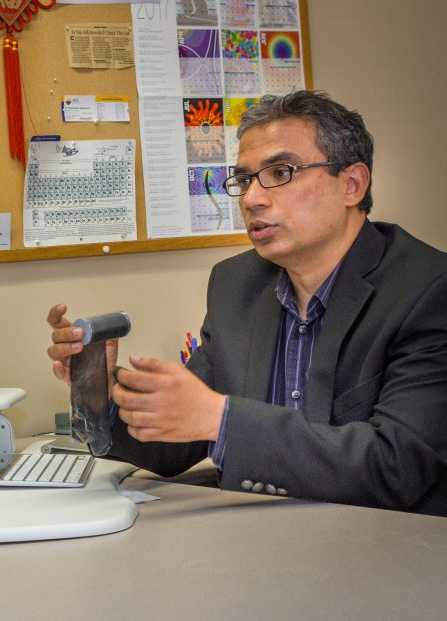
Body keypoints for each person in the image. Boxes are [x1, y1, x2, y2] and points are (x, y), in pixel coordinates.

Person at [48, 90, 447, 516]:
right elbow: (175, 448)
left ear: (351, 185)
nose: (252, 198)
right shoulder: (236, 283)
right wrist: (99, 394)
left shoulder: (428, 289)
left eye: (280, 172)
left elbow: (398, 465)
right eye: (244, 179)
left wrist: (220, 419)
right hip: (261, 539)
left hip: (391, 547)